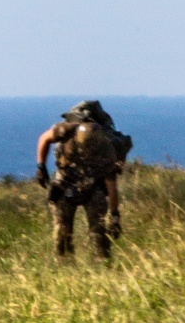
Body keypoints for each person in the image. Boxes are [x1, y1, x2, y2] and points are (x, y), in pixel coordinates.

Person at [35, 101, 130, 260]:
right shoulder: (64, 130)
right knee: (62, 232)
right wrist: (41, 167)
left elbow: (111, 187)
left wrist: (114, 217)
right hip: (64, 183)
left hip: (93, 186)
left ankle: (102, 263)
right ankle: (64, 266)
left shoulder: (106, 152)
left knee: (99, 232)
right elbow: (44, 138)